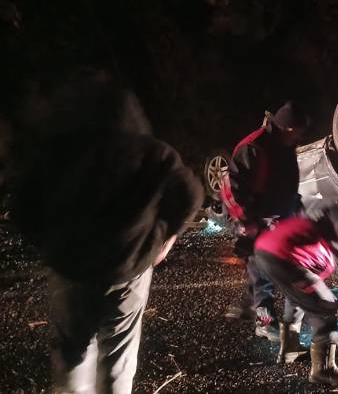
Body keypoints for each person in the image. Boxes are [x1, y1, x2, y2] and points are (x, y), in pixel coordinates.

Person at [10, 71, 204, 393]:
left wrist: (50, 245)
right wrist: (164, 240)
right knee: (119, 353)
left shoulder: (57, 153)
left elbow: (23, 209)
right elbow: (191, 195)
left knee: (73, 351)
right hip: (130, 267)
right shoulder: (154, 152)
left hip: (72, 270)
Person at [254, 205, 338, 387]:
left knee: (298, 297)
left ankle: (289, 349)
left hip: (266, 249)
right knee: (324, 307)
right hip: (286, 257)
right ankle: (323, 371)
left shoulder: (329, 218)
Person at [220, 101, 309, 342]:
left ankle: (252, 305)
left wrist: (296, 207)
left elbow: (285, 183)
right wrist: (246, 221)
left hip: (280, 213)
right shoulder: (253, 146)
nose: (301, 138)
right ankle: (265, 320)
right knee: (261, 267)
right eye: (299, 132)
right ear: (287, 128)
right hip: (254, 216)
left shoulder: (285, 144)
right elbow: (231, 188)